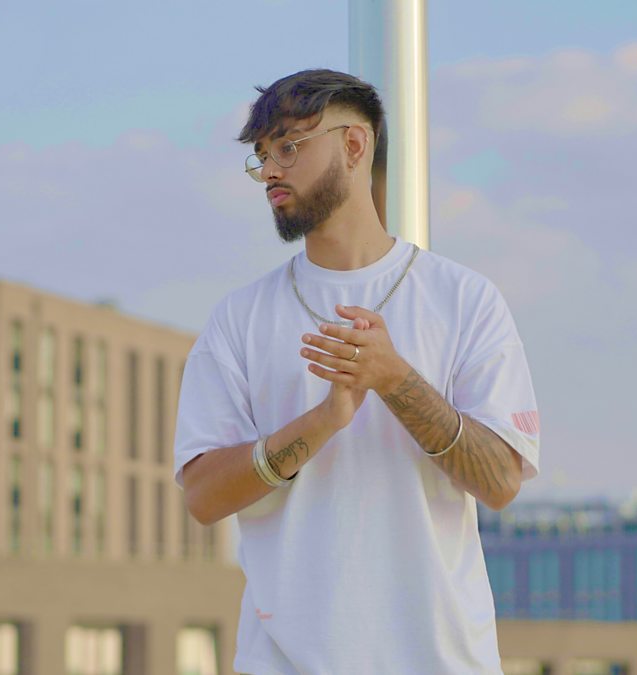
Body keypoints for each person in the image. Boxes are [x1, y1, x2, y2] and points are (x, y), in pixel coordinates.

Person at [173, 68, 540, 674]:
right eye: (261, 156)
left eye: (288, 146)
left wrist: (396, 381)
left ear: (353, 145)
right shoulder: (238, 319)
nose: (269, 171)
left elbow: (500, 481)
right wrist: (321, 422)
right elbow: (204, 496)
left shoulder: (464, 300)